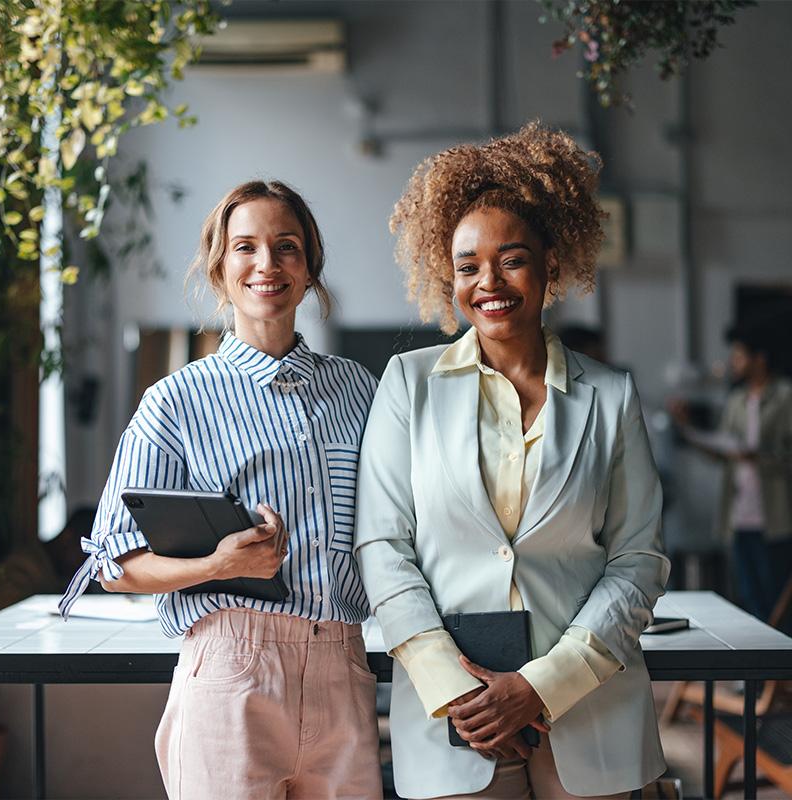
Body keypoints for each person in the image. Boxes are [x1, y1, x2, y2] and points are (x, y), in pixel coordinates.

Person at [355, 123, 670, 800]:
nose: (488, 282)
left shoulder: (611, 397)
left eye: (513, 258)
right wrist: (456, 687)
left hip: (592, 710)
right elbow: (382, 547)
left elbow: (638, 559)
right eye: (467, 265)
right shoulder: (406, 385)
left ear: (551, 263)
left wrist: (540, 685)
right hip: (456, 718)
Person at [59, 181, 382, 800]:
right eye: (245, 247)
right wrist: (218, 564)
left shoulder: (358, 390)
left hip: (343, 663)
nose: (267, 264)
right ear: (219, 268)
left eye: (286, 247)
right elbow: (111, 566)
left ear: (310, 267)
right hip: (232, 667)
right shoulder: (176, 400)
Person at [672, 320, 792, 621]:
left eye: (739, 355)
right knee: (750, 597)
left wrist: (759, 457)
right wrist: (689, 432)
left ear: (759, 358)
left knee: (777, 597)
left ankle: (782, 663)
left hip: (776, 516)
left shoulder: (785, 397)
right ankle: (763, 666)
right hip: (739, 516)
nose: (733, 362)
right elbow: (725, 452)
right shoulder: (737, 400)